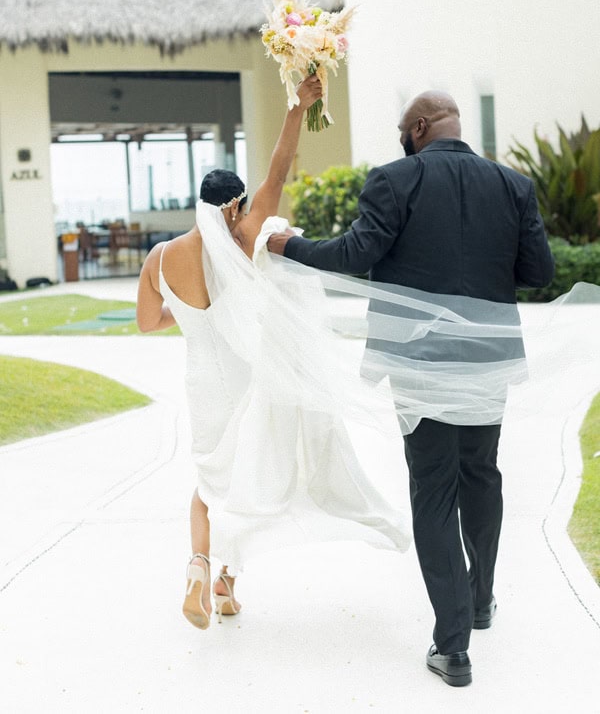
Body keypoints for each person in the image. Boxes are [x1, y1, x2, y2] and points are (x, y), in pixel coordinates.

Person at [267, 90, 554, 687]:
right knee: (482, 473)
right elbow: (539, 274)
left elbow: (355, 253)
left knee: (433, 489)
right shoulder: (513, 185)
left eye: (403, 129)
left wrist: (287, 247)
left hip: (420, 363)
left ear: (420, 127)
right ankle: (479, 602)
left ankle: (452, 648)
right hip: (487, 359)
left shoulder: (394, 181)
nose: (401, 138)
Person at [136, 74, 411, 632]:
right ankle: (225, 582)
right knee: (257, 477)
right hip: (246, 380)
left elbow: (147, 322)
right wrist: (299, 105)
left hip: (203, 382)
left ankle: (204, 572)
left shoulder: (159, 258)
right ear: (234, 206)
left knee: (211, 483)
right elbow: (279, 167)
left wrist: (184, 316)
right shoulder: (241, 240)